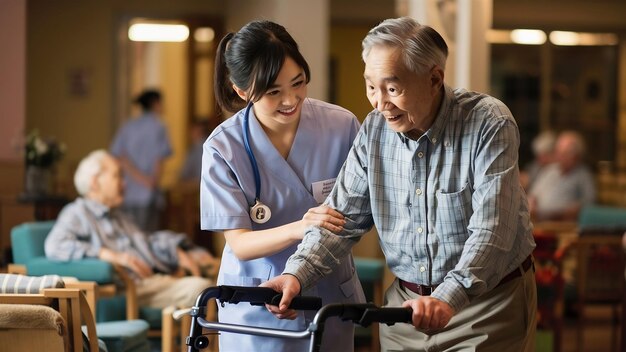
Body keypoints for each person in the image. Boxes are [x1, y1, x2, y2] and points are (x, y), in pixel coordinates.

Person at [262, 17, 537, 351]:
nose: (380, 103)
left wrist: (449, 297)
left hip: (485, 306)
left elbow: (493, 230)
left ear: (435, 78)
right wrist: (296, 274)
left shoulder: (487, 122)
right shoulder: (375, 130)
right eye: (371, 87)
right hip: (405, 308)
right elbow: (340, 218)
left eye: (393, 88)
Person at [200, 20, 365, 352]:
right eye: (274, 91)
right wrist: (300, 227)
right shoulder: (223, 148)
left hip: (328, 294)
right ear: (242, 90)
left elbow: (360, 209)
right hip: (258, 301)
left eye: (298, 83)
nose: (291, 100)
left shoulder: (341, 126)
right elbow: (240, 244)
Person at [45, 149, 213, 309]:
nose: (124, 183)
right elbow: (55, 245)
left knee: (215, 270)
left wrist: (177, 250)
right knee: (204, 291)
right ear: (95, 182)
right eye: (117, 175)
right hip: (132, 288)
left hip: (154, 279)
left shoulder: (119, 215)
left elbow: (147, 241)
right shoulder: (77, 212)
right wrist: (107, 254)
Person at [110, 89, 172, 232]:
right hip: (149, 192)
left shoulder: (127, 125)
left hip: (127, 191)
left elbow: (119, 156)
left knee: (129, 234)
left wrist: (137, 177)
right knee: (148, 237)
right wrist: (149, 181)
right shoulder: (159, 126)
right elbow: (159, 158)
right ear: (155, 104)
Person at [528, 130, 596, 221]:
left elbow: (588, 204)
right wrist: (531, 204)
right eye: (558, 152)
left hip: (563, 226)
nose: (559, 156)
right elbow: (533, 195)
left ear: (577, 156)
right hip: (539, 222)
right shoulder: (549, 170)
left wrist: (558, 212)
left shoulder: (583, 175)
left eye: (564, 153)